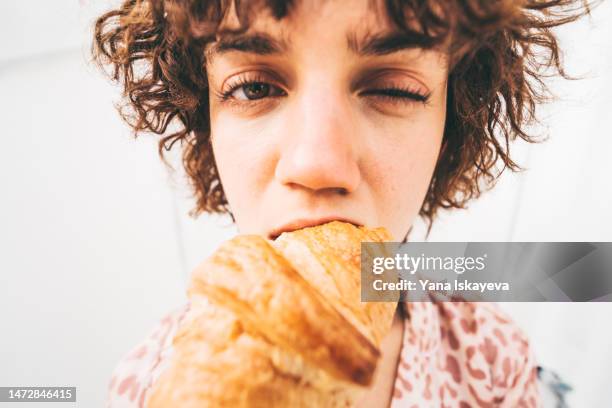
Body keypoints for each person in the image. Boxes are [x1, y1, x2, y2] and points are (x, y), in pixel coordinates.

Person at [93, 0, 590, 406]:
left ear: (449, 131)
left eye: (392, 89)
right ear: (207, 122)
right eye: (254, 87)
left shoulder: (493, 360)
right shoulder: (146, 382)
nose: (317, 163)